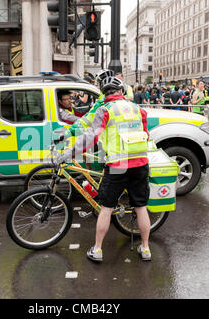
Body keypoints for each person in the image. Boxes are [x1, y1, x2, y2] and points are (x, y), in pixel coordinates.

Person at [58, 76, 152, 263]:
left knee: (106, 208)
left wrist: (69, 152)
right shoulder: (137, 109)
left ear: (104, 93)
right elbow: (146, 134)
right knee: (141, 207)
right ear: (122, 91)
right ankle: (146, 248)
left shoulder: (104, 110)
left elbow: (90, 137)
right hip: (140, 163)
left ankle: (98, 250)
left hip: (117, 166)